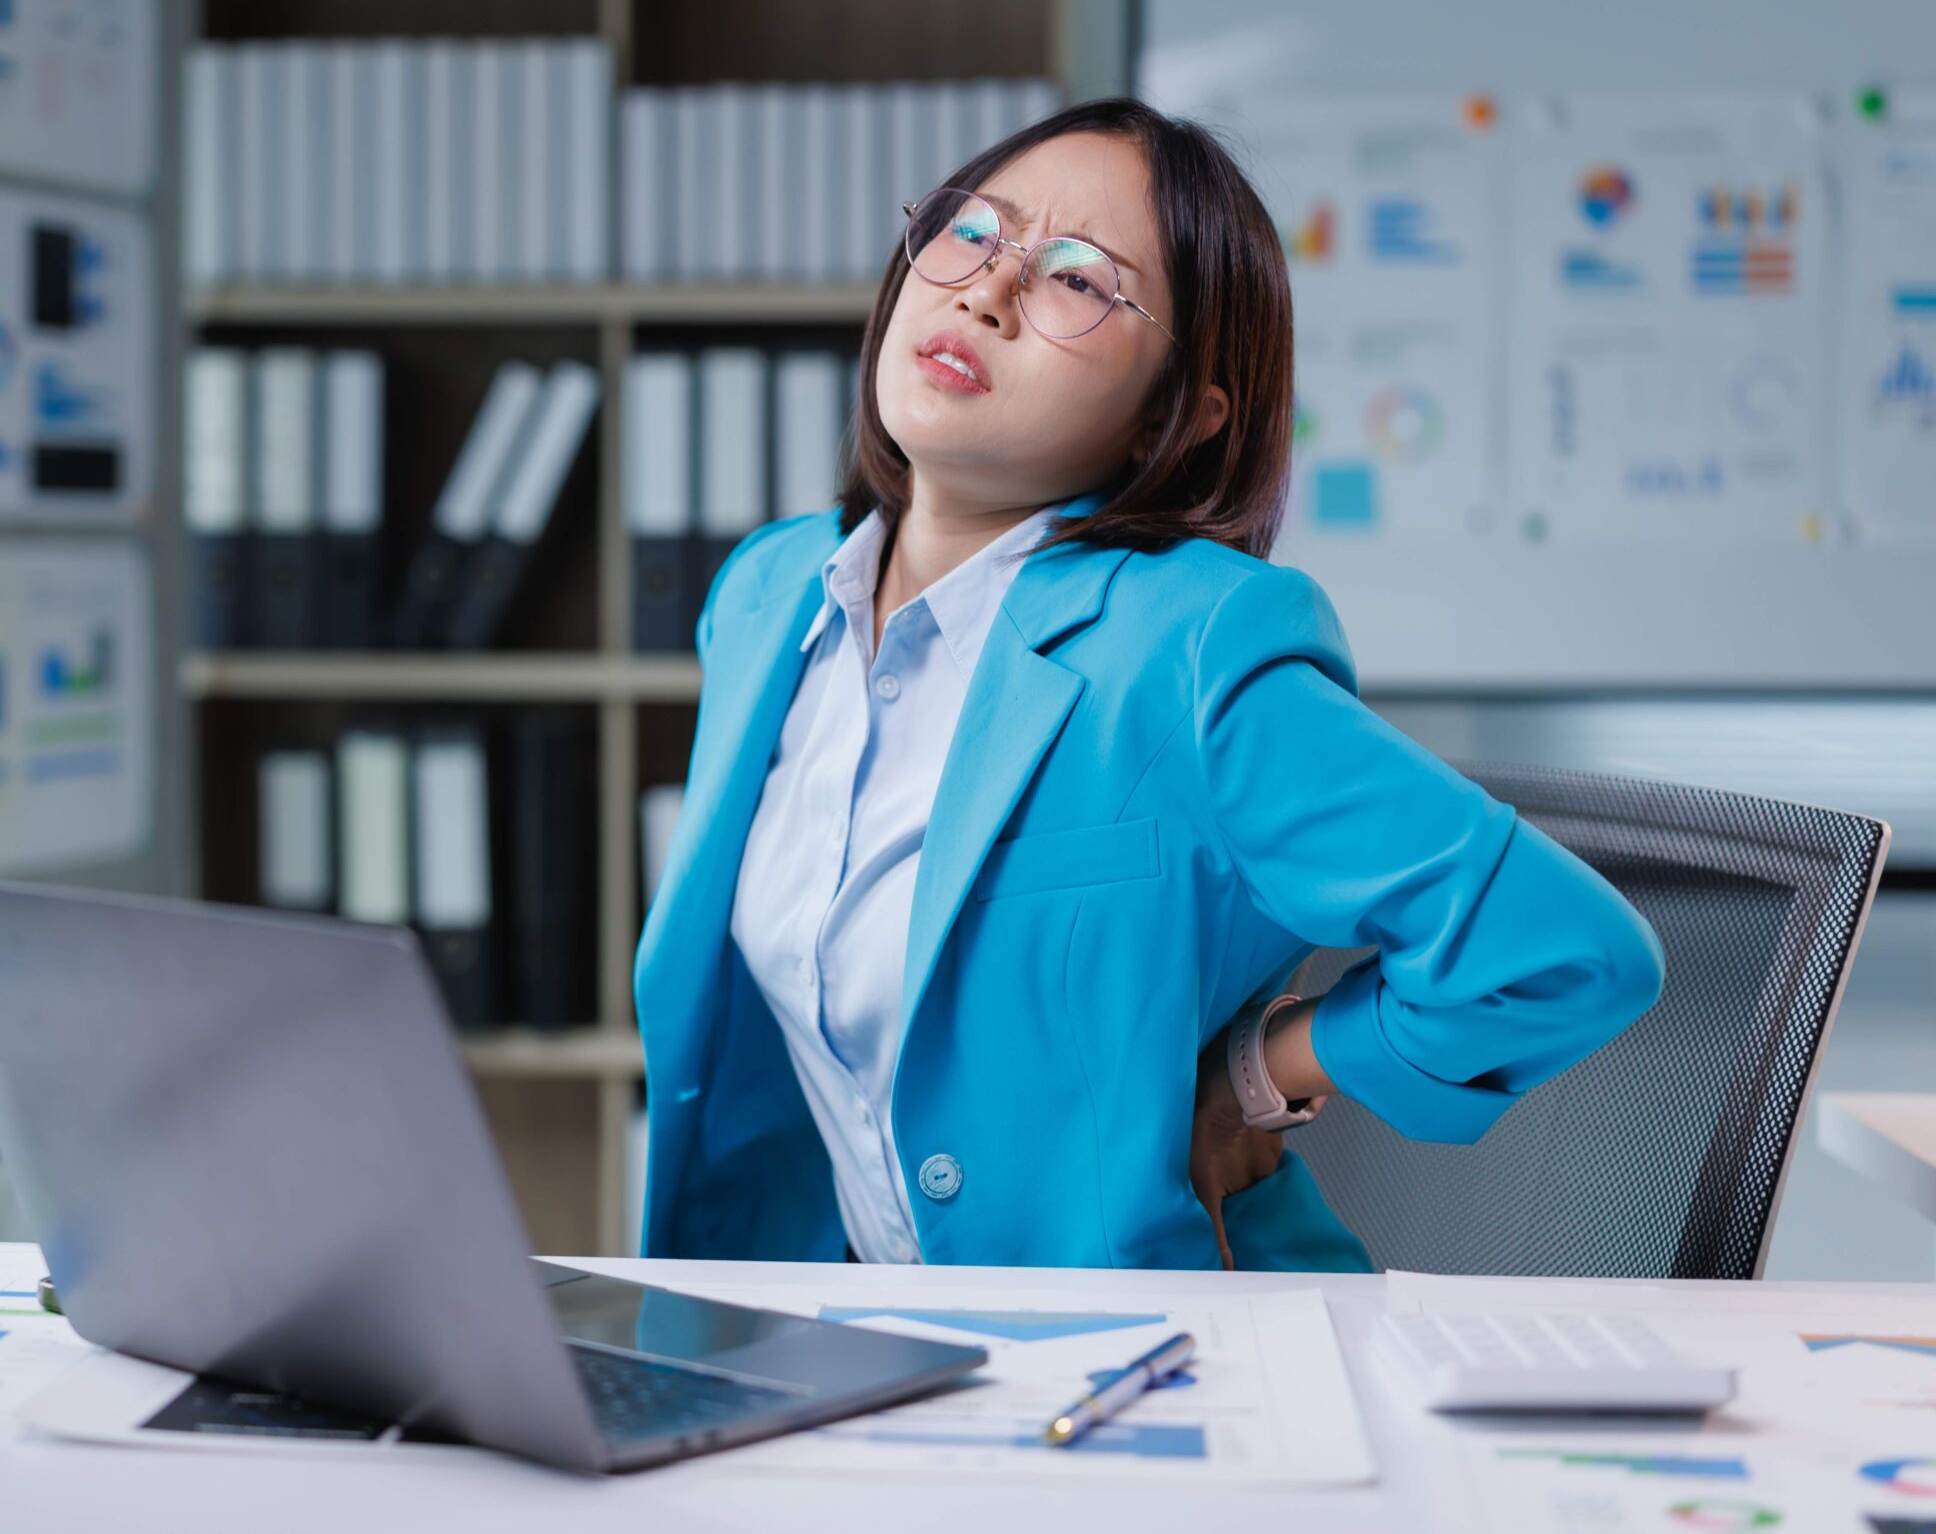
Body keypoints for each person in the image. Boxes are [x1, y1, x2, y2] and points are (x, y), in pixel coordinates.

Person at [632, 96, 1664, 1272]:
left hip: (1173, 1365)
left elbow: (1565, 950)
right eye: (973, 230)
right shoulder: (768, 599)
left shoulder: (1187, 649)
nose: (986, 290)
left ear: (1170, 419)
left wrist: (1254, 1076)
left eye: (1078, 280)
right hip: (869, 1351)